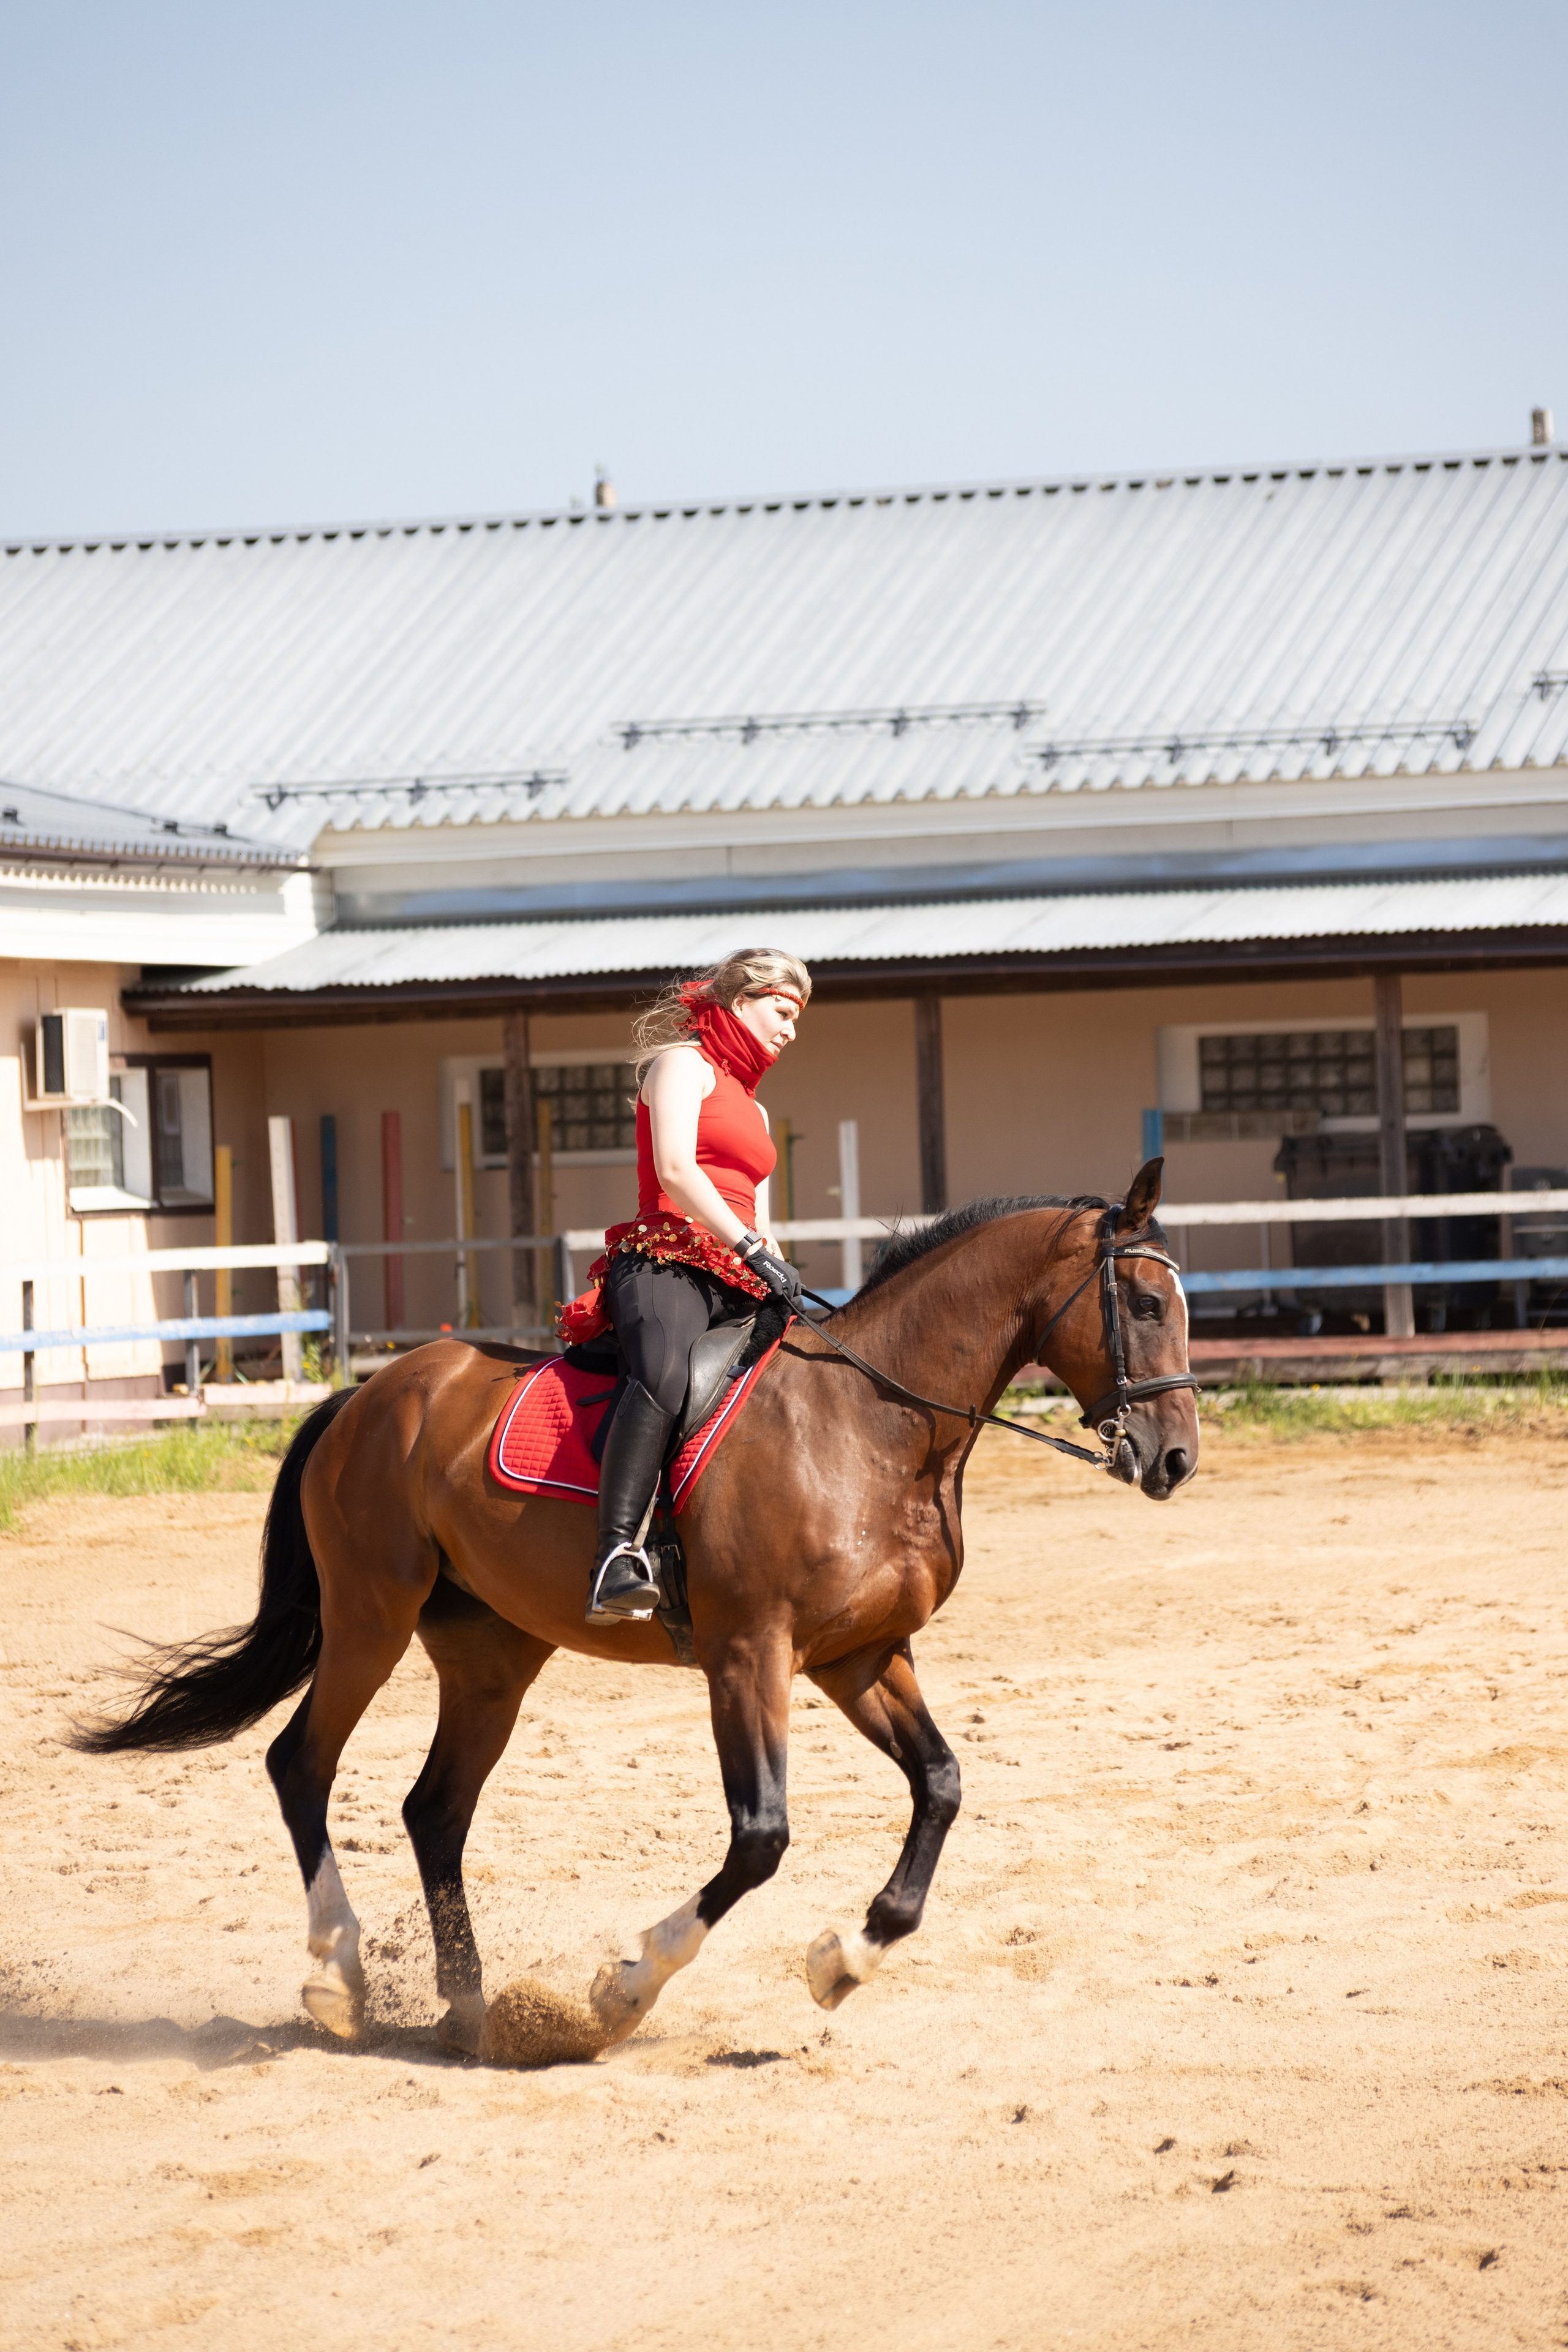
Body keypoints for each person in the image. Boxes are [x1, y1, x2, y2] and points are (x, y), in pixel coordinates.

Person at [557, 949, 811, 1624]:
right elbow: (674, 1169)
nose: (789, 1030)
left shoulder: (756, 1114)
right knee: (664, 1376)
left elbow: (761, 1213)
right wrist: (752, 1248)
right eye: (781, 1012)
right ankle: (614, 1556)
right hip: (666, 1260)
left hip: (742, 1269)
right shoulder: (680, 1066)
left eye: (795, 1019)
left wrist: (779, 1268)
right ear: (738, 1001)